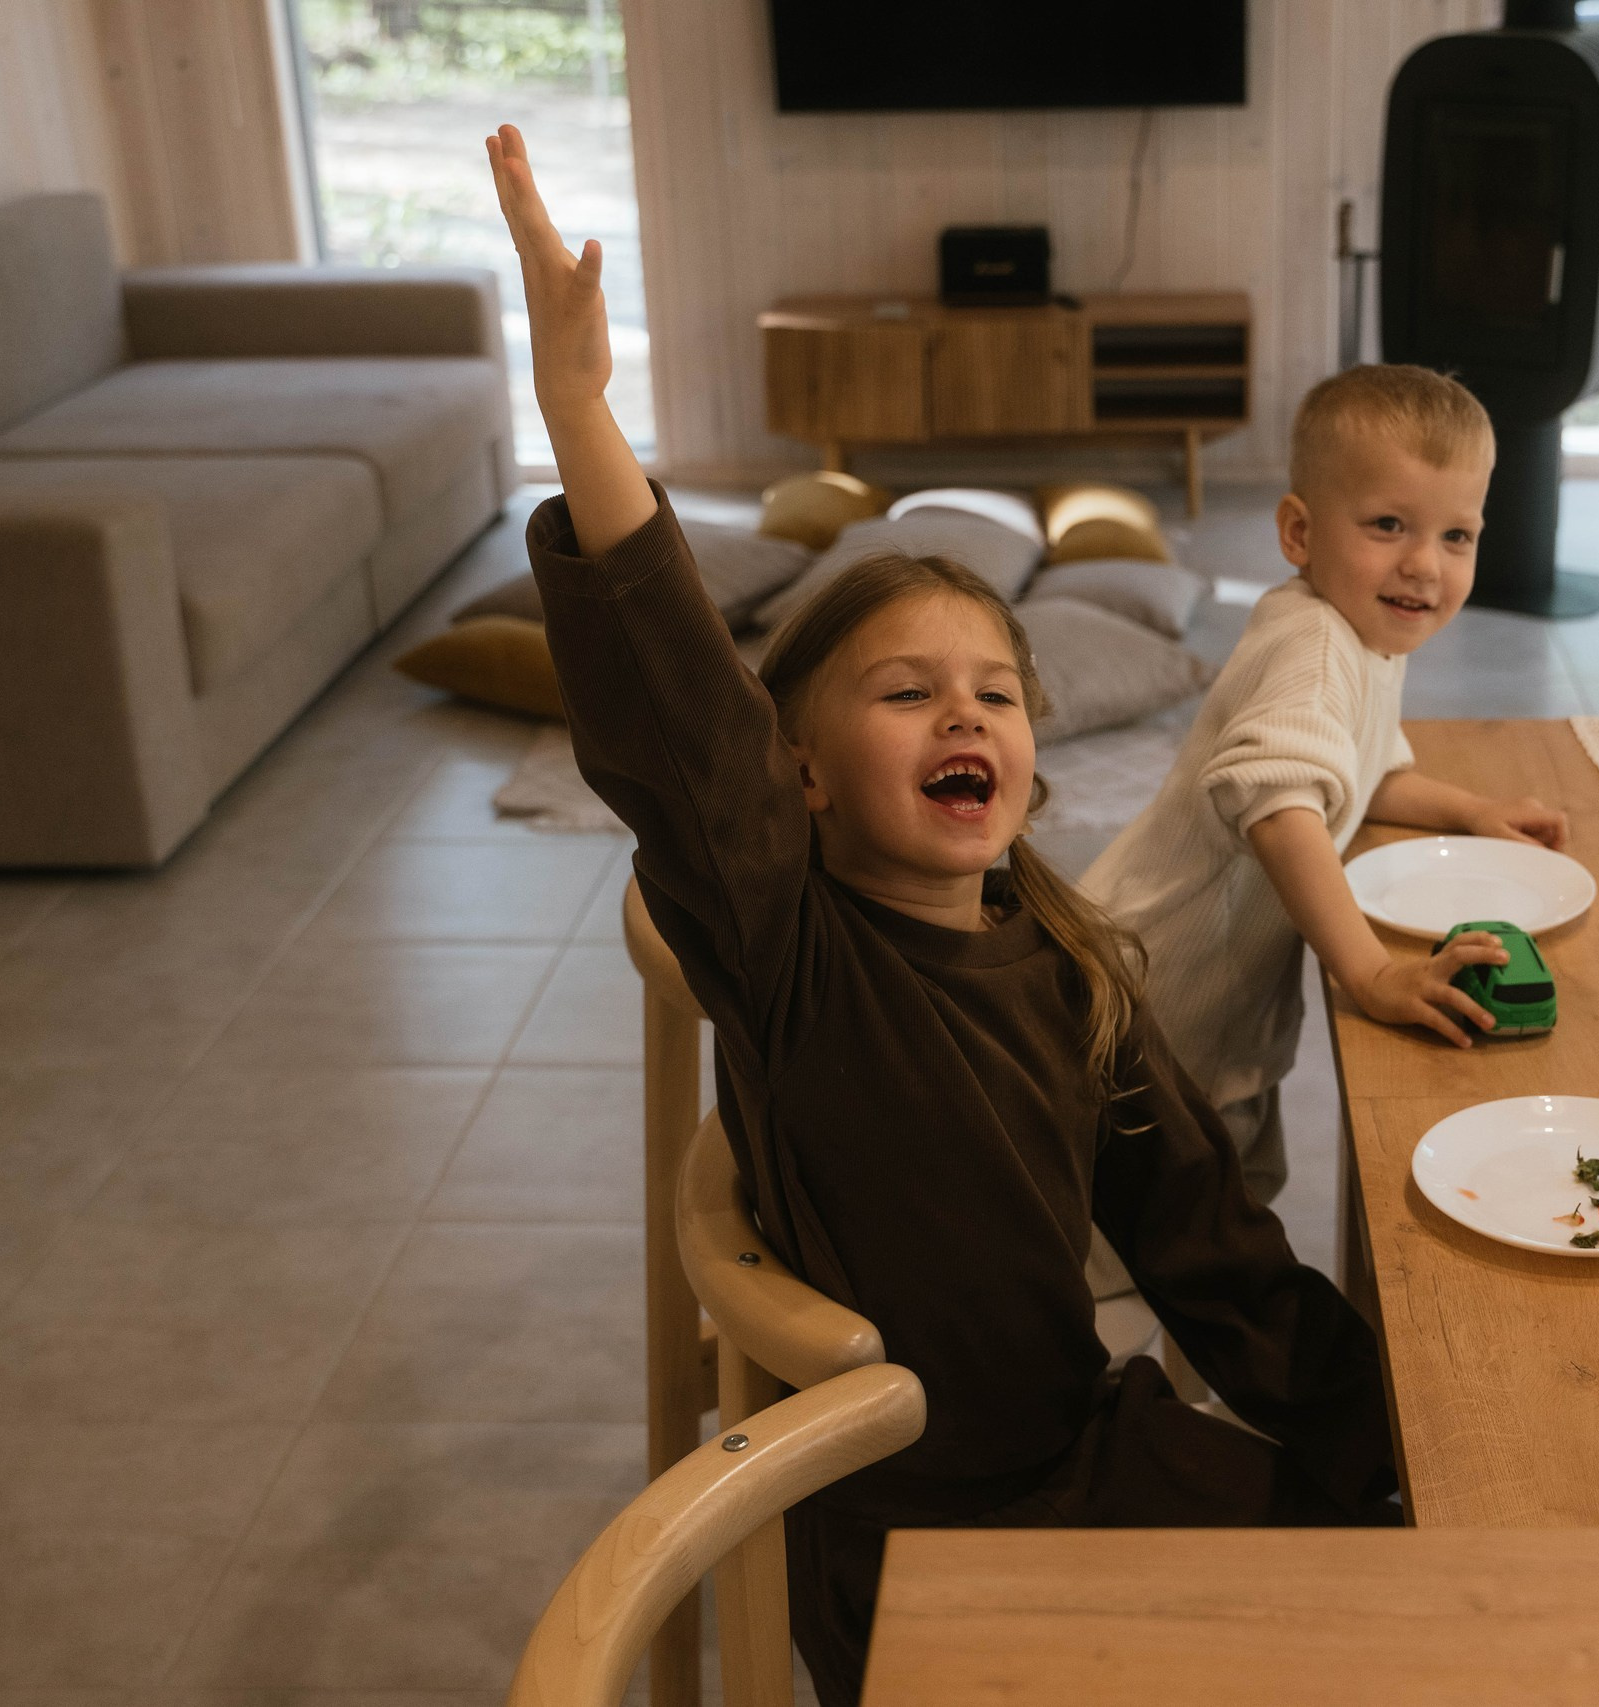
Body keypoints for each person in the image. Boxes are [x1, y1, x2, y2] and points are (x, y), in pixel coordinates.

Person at [484, 126, 1396, 1707]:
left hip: (1077, 1448)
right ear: (804, 777)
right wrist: (580, 410)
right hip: (912, 1525)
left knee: (1406, 1567)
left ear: (1034, 755)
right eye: (904, 693)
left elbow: (1205, 1239)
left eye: (992, 693)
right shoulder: (790, 948)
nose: (960, 713)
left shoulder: (1067, 969)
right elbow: (687, 724)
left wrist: (1385, 1423)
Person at [1082, 366, 1570, 1204]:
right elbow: (1282, 811)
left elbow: (1362, 774)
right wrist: (1372, 974)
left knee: (1223, 1221)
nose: (1424, 565)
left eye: (1457, 536)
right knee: (1138, 1247)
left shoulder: (1361, 629)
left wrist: (1471, 809)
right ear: (1299, 532)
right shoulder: (1314, 652)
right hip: (1143, 1013)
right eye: (1388, 524)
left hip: (1202, 1015)